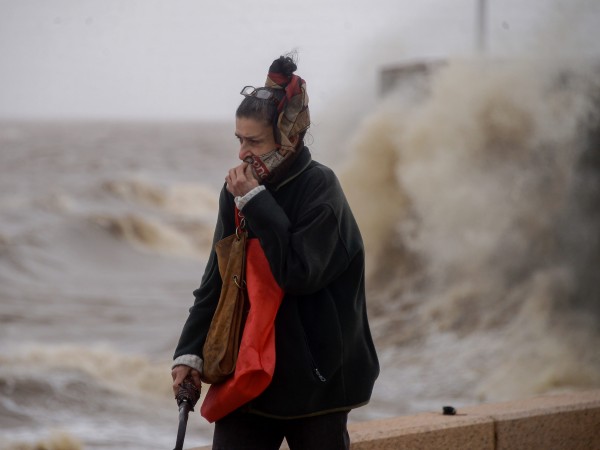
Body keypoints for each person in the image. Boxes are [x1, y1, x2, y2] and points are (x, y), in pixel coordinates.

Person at [171, 54, 379, 450]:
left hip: (318, 380)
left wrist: (256, 201)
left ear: (289, 138)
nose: (242, 154)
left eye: (254, 141)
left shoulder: (321, 191)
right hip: (246, 372)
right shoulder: (235, 192)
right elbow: (216, 280)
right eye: (239, 140)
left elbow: (298, 272)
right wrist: (189, 353)